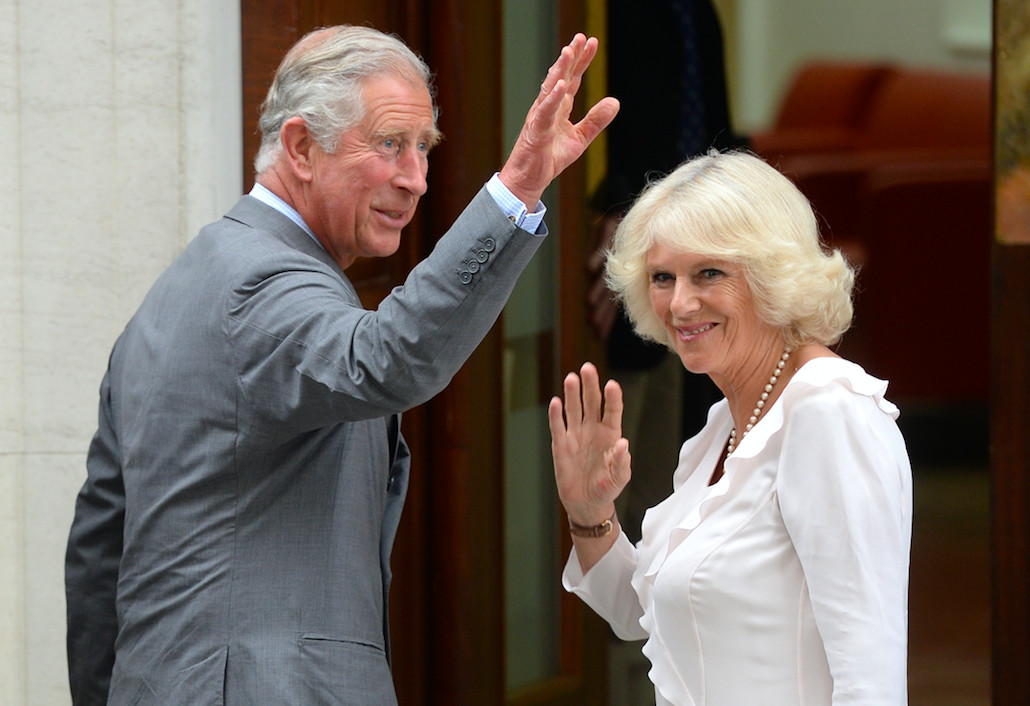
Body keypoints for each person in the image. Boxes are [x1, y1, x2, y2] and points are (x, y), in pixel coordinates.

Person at [65, 25, 618, 706]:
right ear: (301, 147)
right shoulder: (260, 281)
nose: (415, 178)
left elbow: (98, 551)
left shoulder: (180, 292)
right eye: (389, 144)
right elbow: (389, 358)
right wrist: (516, 191)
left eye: (423, 148)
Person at [549, 151, 911, 704]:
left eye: (709, 272)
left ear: (773, 272)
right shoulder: (722, 427)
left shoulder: (829, 414)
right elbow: (645, 611)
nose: (680, 302)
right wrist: (590, 513)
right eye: (662, 277)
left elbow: (871, 677)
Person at [586, 0, 743, 543]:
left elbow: (711, 126)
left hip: (689, 234)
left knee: (664, 450)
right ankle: (605, 609)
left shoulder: (697, 11)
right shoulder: (618, 13)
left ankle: (647, 599)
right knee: (615, 431)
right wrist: (616, 213)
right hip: (616, 232)